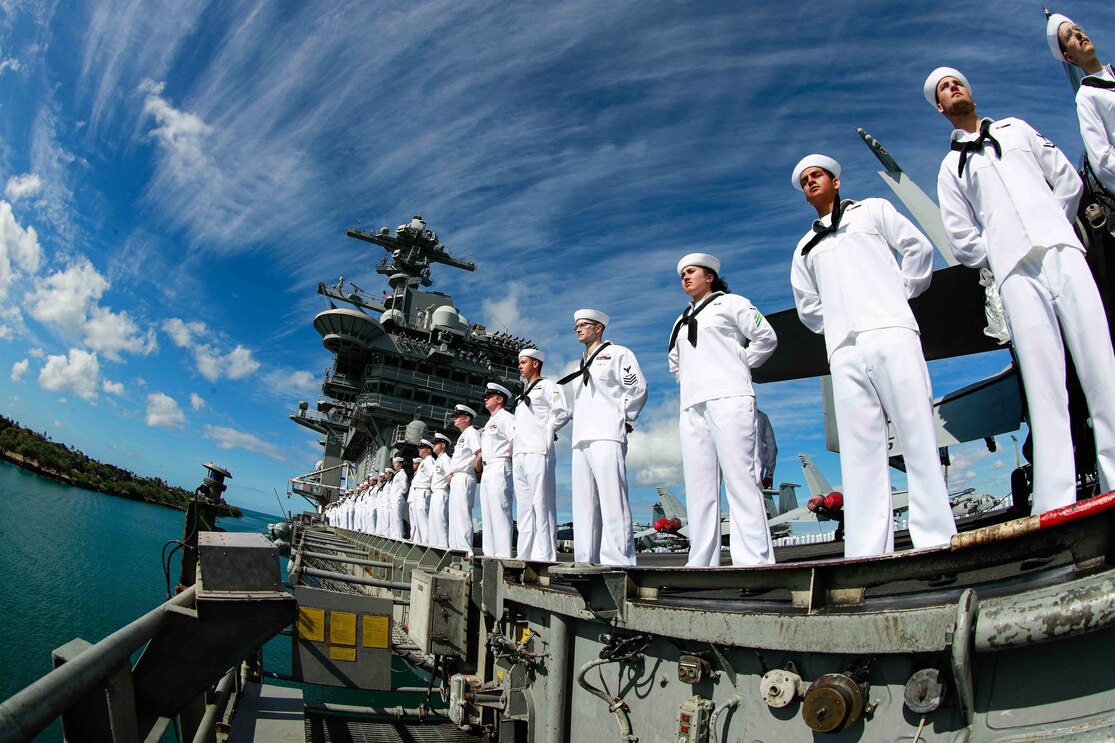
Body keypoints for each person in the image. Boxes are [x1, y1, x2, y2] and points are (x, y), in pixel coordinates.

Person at [927, 66, 1115, 512]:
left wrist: (1052, 222)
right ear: (940, 108)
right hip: (1013, 271)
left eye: (956, 82)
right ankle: (1055, 497)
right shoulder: (950, 167)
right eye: (944, 90)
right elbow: (961, 239)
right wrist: (1001, 249)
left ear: (970, 91)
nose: (953, 89)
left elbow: (1067, 180)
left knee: (1101, 364)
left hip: (1061, 250)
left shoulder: (1017, 129)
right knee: (1042, 381)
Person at [789, 154, 957, 557]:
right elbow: (807, 306)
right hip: (844, 350)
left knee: (916, 433)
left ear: (836, 181)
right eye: (805, 180)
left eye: (817, 175)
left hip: (890, 331)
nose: (811, 182)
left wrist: (898, 293)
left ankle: (936, 538)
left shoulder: (873, 211)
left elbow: (917, 247)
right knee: (860, 451)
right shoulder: (804, 247)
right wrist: (836, 325)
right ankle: (867, 550)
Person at [668, 254, 777, 567]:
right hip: (692, 405)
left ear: (709, 277)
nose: (685, 277)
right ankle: (701, 561)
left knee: (741, 479)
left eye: (691, 272)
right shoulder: (680, 320)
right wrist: (691, 380)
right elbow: (674, 362)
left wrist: (738, 365)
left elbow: (766, 337)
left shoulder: (731, 304)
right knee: (699, 488)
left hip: (729, 397)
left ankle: (755, 562)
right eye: (682, 274)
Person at [561, 309, 647, 566]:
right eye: (576, 326)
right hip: (581, 437)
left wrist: (624, 417)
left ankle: (619, 562)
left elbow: (637, 387)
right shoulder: (579, 364)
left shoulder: (618, 354)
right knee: (584, 506)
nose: (578, 329)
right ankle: (585, 561)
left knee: (612, 499)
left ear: (598, 328)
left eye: (584, 325)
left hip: (607, 433)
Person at [1047, 13, 1115, 210]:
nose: (1078, 34)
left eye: (1078, 29)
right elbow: (1102, 161)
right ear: (1069, 57)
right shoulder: (1087, 96)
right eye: (1069, 35)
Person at [513, 348, 571, 561]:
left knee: (542, 504)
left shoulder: (547, 386)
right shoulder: (522, 394)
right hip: (520, 454)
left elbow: (563, 412)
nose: (519, 366)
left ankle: (544, 556)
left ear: (535, 364)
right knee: (524, 508)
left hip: (538, 451)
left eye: (524, 362)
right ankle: (525, 555)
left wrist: (546, 431)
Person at [479, 383, 516, 557]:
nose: (485, 398)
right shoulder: (490, 422)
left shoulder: (506, 417)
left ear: (500, 399)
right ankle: (489, 556)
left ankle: (503, 556)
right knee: (487, 515)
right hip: (488, 468)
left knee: (500, 512)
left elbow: (514, 440)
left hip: (500, 465)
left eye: (489, 396)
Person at [448, 404, 482, 556]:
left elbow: (479, 454)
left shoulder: (472, 433)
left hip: (465, 476)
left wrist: (478, 471)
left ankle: (466, 552)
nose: (454, 419)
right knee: (455, 516)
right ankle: (456, 550)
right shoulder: (463, 435)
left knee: (462, 514)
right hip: (457, 477)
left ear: (467, 418)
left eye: (458, 416)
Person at [427, 433, 452, 547]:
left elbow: (449, 476)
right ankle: (434, 547)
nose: (433, 445)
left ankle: (443, 547)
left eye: (436, 443)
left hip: (441, 493)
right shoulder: (438, 460)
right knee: (433, 524)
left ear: (443, 445)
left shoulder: (445, 459)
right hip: (434, 494)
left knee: (440, 523)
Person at [410, 439, 435, 543]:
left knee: (424, 520)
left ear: (428, 450)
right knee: (418, 520)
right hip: (417, 493)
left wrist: (431, 490)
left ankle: (426, 542)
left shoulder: (429, 460)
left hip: (423, 492)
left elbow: (432, 475)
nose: (419, 450)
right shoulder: (424, 461)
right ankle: (419, 542)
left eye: (422, 448)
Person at [756, 408, 777, 490]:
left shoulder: (726, 413)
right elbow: (772, 446)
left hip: (734, 465)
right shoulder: (762, 416)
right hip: (757, 464)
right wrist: (769, 474)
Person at [387, 456, 407, 539]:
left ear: (400, 464)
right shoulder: (396, 474)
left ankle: (399, 537)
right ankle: (393, 536)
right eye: (394, 463)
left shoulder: (402, 474)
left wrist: (398, 495)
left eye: (396, 463)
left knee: (397, 519)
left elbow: (404, 488)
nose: (394, 465)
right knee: (393, 519)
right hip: (393, 500)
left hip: (397, 499)